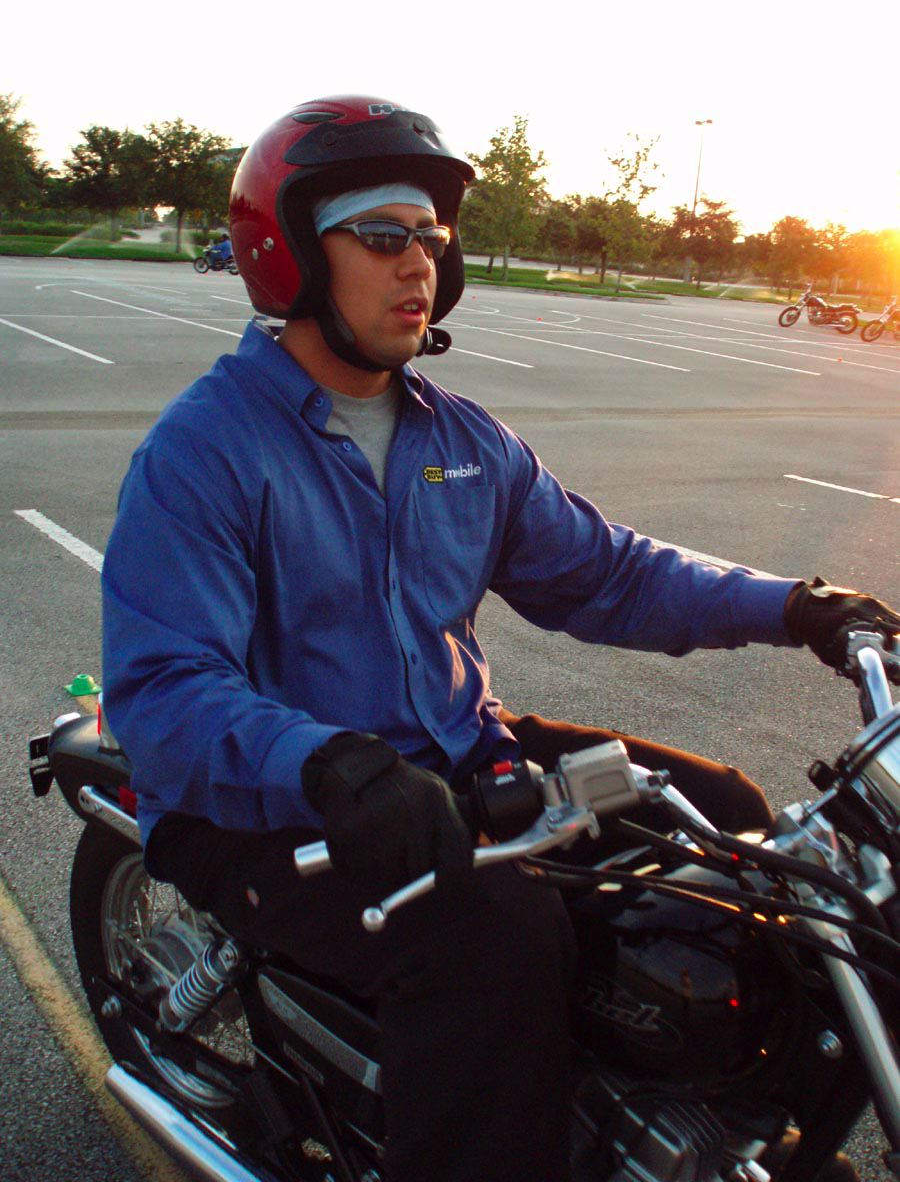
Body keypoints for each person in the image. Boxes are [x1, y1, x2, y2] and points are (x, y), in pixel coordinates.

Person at [101, 96, 899, 1182]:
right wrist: (327, 762)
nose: (418, 262)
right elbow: (163, 689)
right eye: (381, 235)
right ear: (289, 253)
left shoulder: (466, 440)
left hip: (448, 761)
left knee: (732, 818)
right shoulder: (206, 451)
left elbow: (610, 574)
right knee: (491, 935)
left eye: (432, 237)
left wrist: (796, 606)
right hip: (265, 807)